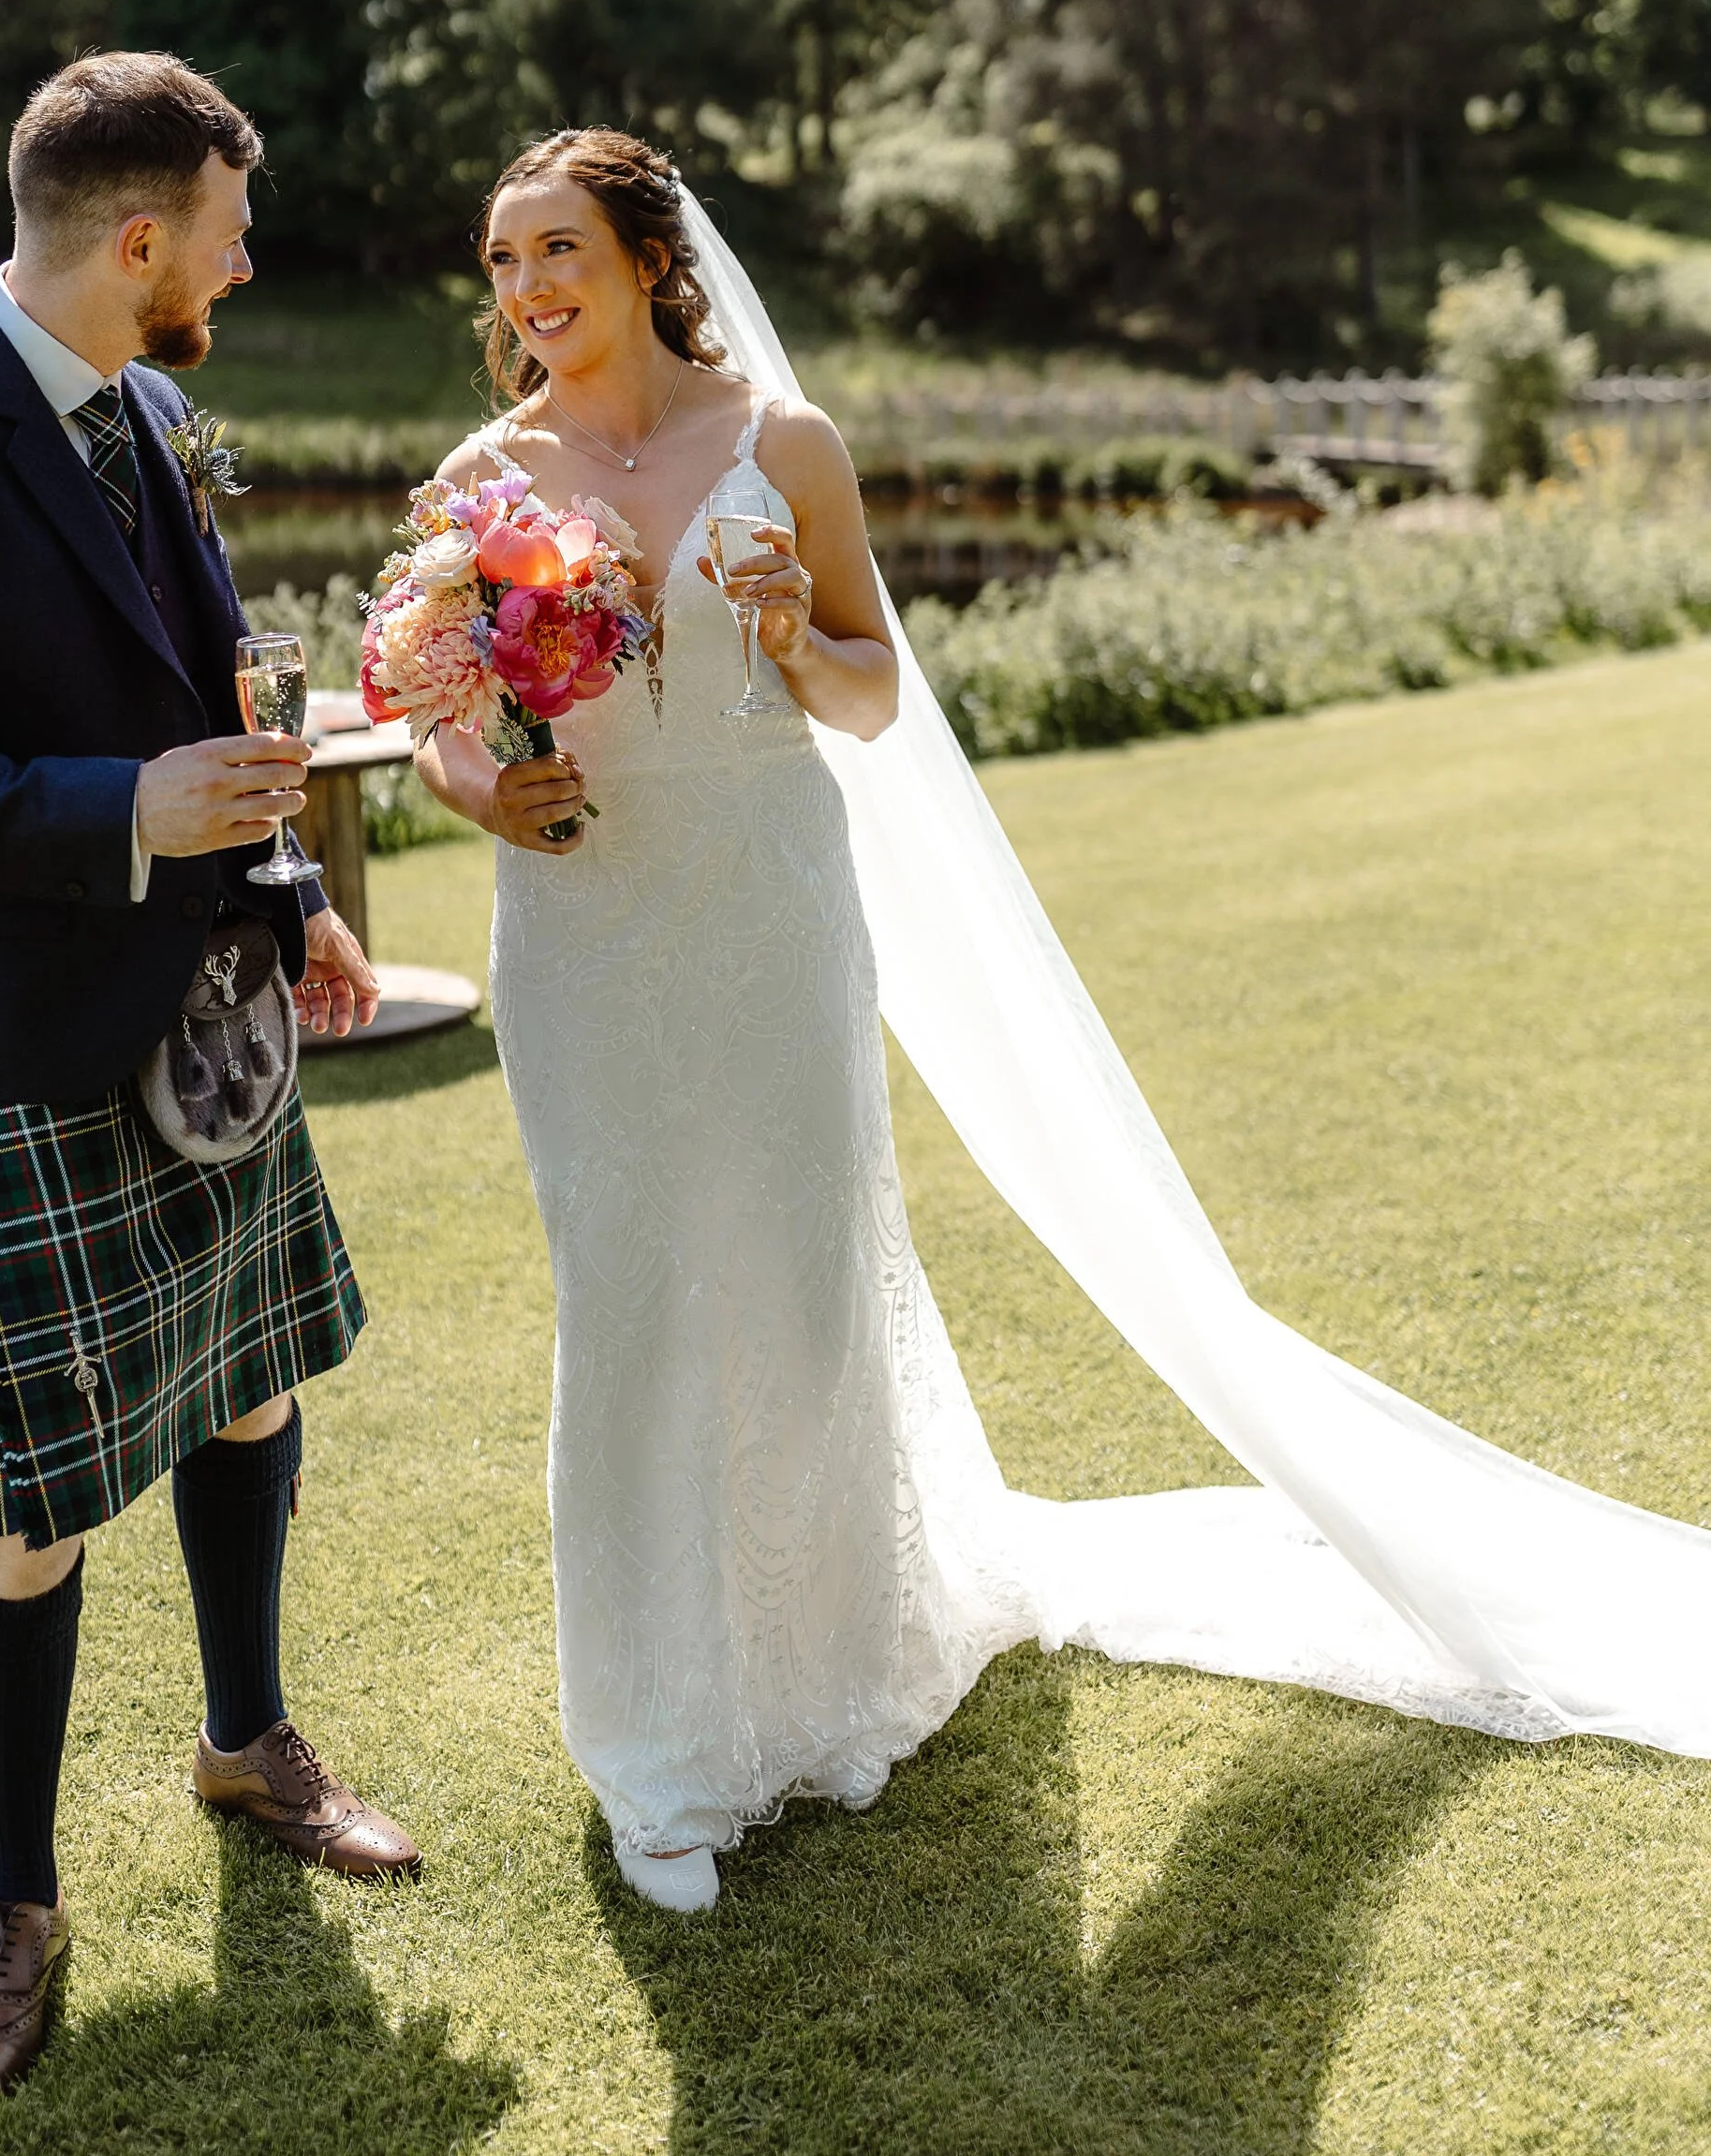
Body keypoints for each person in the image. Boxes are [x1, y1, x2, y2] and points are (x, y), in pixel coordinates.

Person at [422, 127, 1711, 1916]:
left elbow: (876, 699)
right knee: (630, 1301)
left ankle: (822, 1689)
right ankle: (658, 1753)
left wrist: (797, 635)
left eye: (554, 248)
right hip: (587, 929)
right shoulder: (482, 480)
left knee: (797, 1284)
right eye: (500, 263)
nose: (525, 290)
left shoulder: (783, 448)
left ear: (647, 257)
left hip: (774, 911)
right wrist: (491, 795)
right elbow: (421, 704)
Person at [0, 52, 417, 2104]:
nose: (243, 259)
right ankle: (14, 1903)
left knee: (246, 1375)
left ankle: (246, 1740)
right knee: (27, 1507)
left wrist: (286, 873)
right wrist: (119, 808)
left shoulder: (151, 407)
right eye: (226, 229)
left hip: (208, 1003)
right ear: (138, 241)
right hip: (21, 1043)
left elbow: (207, 682)